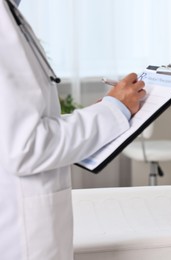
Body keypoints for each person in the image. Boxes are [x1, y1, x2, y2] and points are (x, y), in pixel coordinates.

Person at [0, 0, 146, 259]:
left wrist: (102, 111)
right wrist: (113, 109)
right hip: (20, 237)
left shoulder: (10, 15)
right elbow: (25, 146)